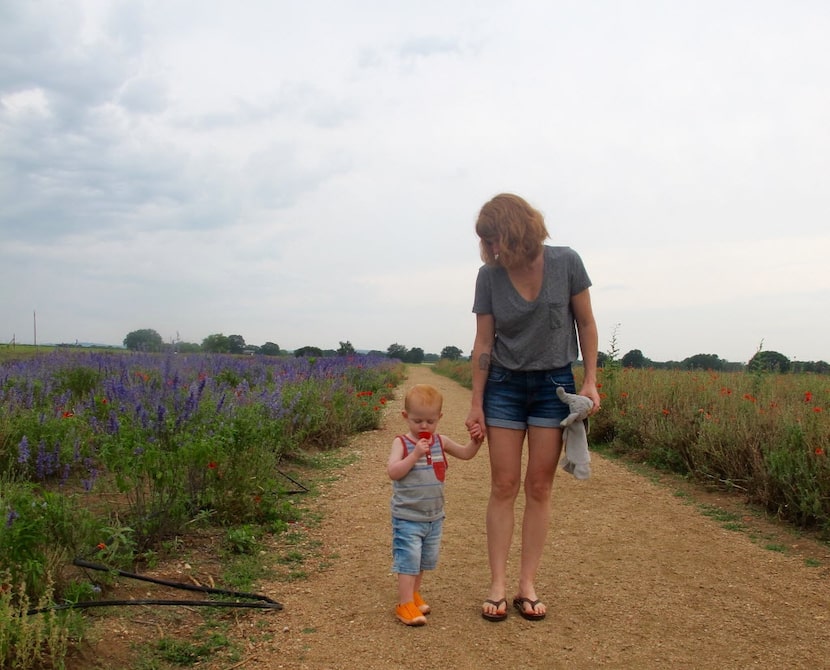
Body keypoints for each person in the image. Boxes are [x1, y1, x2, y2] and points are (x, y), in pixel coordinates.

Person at [464, 193, 600, 622]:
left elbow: (587, 323)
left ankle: (527, 585)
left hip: (553, 386)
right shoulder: (489, 276)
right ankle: (498, 585)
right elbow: (484, 343)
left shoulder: (566, 262)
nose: (493, 248)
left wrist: (591, 380)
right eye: (488, 242)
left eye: (496, 238)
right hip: (503, 385)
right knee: (504, 485)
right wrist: (476, 404)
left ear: (517, 227)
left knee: (539, 487)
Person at [387, 383, 484, 626]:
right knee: (408, 561)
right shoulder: (402, 443)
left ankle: (414, 595)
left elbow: (465, 453)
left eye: (430, 421)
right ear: (405, 416)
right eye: (417, 420)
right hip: (407, 516)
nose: (424, 427)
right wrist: (415, 455)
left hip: (433, 517)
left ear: (439, 418)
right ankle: (404, 604)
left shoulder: (441, 441)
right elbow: (393, 472)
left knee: (422, 561)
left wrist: (476, 442)